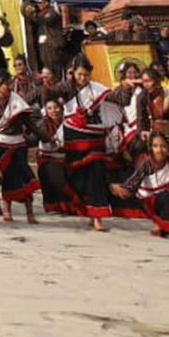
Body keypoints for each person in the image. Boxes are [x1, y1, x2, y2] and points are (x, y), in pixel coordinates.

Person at [60, 57, 125, 232]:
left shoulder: (97, 89)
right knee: (78, 177)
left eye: (86, 75)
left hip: (94, 137)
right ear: (73, 73)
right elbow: (45, 94)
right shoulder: (65, 88)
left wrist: (125, 87)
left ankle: (98, 217)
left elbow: (116, 98)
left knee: (96, 174)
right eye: (80, 74)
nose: (82, 78)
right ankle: (88, 210)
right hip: (73, 137)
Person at [0, 77, 40, 223]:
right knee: (9, 177)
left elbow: (30, 124)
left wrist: (45, 137)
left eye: (11, 83)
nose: (10, 86)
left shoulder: (17, 100)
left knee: (26, 177)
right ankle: (7, 210)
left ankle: (30, 213)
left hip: (18, 143)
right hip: (0, 144)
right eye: (7, 84)